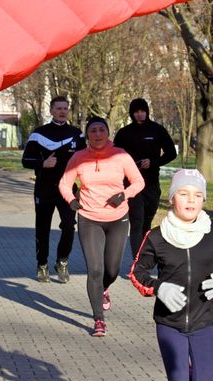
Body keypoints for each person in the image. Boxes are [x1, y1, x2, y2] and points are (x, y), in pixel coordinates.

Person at [128, 169, 213, 381]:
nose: (191, 200)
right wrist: (159, 288)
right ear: (172, 198)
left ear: (203, 199)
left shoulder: (212, 230)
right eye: (183, 193)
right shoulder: (157, 236)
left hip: (204, 320)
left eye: (197, 195)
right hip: (169, 324)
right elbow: (137, 272)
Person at [59, 117, 144, 337]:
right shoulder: (78, 158)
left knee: (112, 270)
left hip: (118, 217)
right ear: (87, 135)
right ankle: (99, 319)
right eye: (93, 131)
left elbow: (138, 182)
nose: (97, 134)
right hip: (89, 217)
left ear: (108, 133)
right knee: (95, 270)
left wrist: (124, 194)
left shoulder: (121, 155)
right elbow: (64, 183)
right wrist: (71, 200)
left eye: (101, 130)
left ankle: (104, 289)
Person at [22, 96, 86, 283]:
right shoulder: (39, 134)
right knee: (42, 228)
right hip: (44, 188)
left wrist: (82, 187)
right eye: (59, 108)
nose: (62, 111)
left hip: (68, 189)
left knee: (68, 226)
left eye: (65, 108)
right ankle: (42, 265)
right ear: (51, 111)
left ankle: (62, 261)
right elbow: (26, 161)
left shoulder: (76, 134)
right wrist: (43, 163)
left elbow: (84, 162)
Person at [114, 98, 177, 257]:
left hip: (151, 184)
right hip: (132, 185)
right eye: (136, 112)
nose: (140, 114)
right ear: (132, 113)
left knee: (146, 223)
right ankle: (138, 262)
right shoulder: (124, 133)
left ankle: (145, 256)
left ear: (147, 112)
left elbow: (171, 153)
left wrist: (154, 162)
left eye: (143, 111)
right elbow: (115, 157)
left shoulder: (157, 130)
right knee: (137, 222)